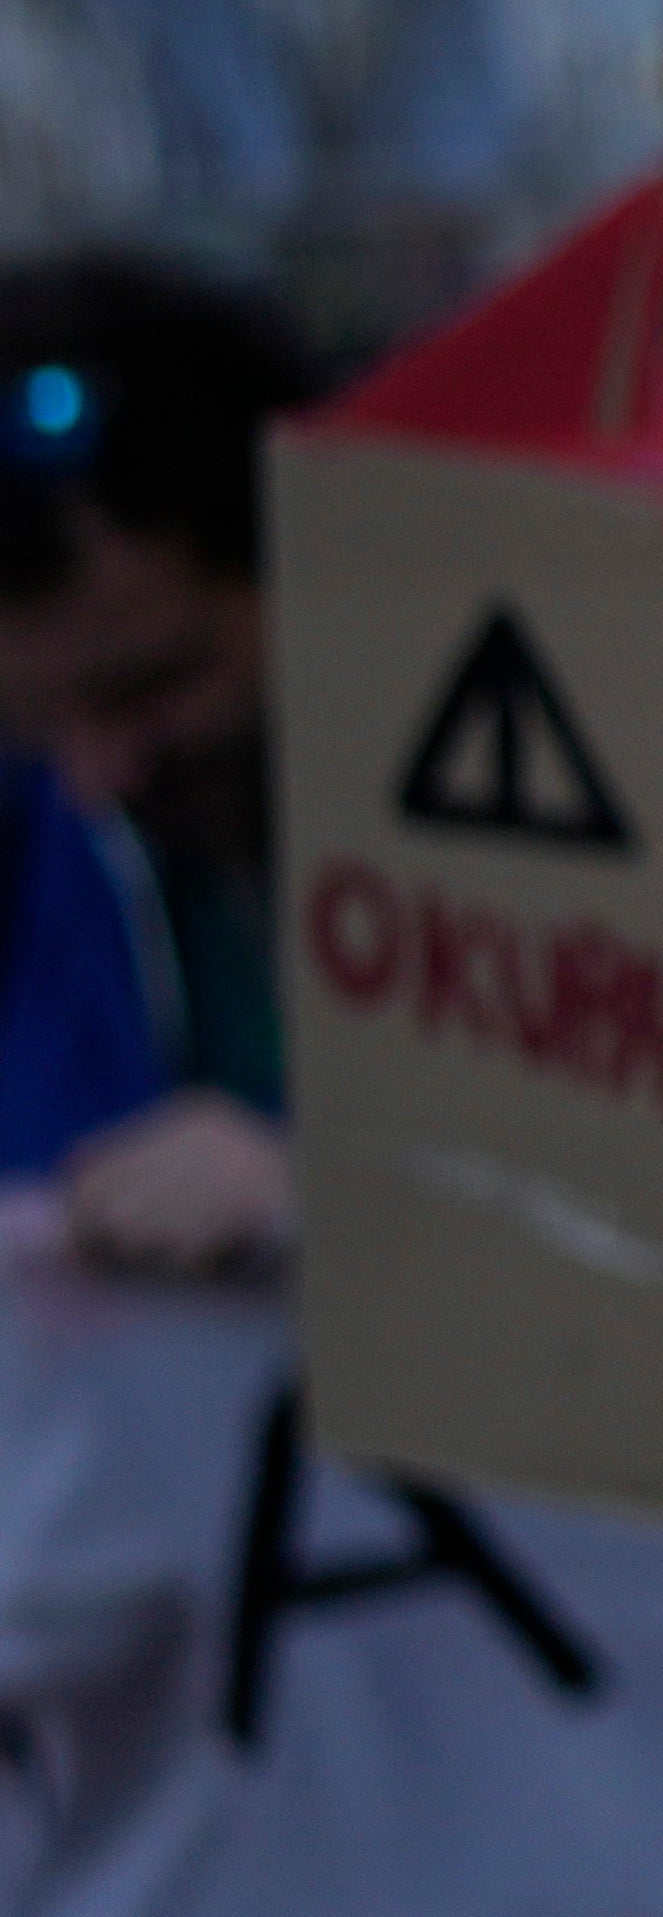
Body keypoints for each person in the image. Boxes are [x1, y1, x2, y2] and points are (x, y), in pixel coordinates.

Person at [0, 256, 317, 1273]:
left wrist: (337, 1192)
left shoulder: (518, 881)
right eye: (37, 723)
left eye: (150, 688)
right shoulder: (36, 844)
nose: (96, 774)